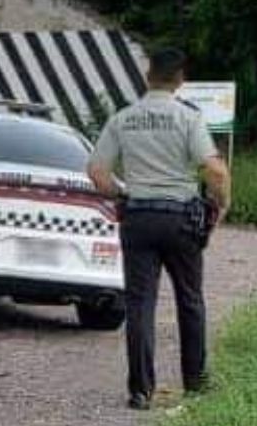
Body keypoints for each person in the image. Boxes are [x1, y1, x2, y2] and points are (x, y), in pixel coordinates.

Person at [86, 47, 232, 411]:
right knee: (190, 300)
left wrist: (123, 191)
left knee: (140, 304)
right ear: (181, 80)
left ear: (147, 77)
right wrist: (222, 202)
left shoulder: (123, 119)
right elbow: (214, 170)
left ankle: (140, 389)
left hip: (138, 216)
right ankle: (195, 383)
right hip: (180, 218)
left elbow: (97, 172)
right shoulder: (188, 117)